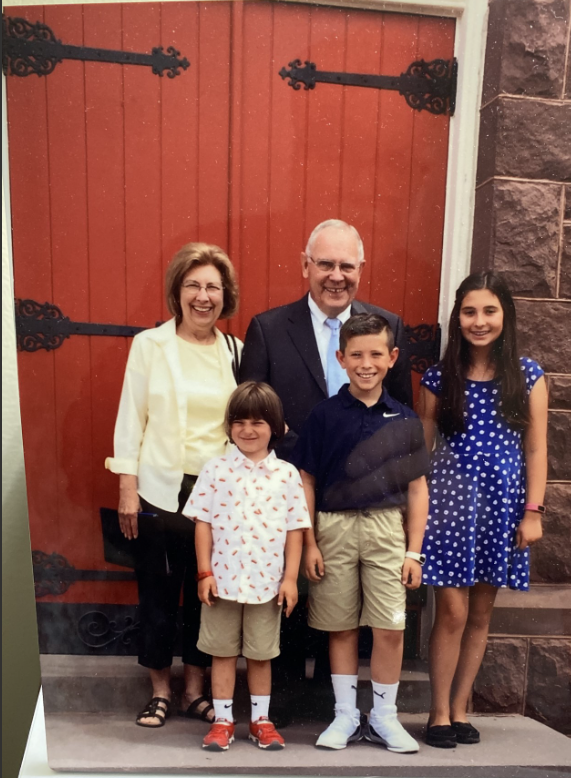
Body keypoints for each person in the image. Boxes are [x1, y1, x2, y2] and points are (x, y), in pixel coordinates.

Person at [105, 242, 242, 728]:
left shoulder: (236, 352)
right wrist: (127, 485)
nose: (203, 296)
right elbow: (131, 418)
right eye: (193, 285)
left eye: (212, 286)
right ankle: (160, 691)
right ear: (177, 292)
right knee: (159, 594)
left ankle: (193, 691)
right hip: (160, 488)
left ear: (226, 294)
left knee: (207, 594)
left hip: (219, 497)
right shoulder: (151, 346)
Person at [418, 271, 548, 749]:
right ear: (458, 318)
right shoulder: (439, 378)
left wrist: (532, 511)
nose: (479, 321)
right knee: (451, 609)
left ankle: (459, 708)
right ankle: (437, 712)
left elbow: (536, 449)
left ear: (505, 316)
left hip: (502, 508)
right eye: (470, 311)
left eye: (489, 311)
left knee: (480, 612)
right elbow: (423, 450)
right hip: (449, 510)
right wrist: (419, 511)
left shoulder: (528, 375)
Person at [293, 313, 430, 753]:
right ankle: (346, 715)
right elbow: (306, 481)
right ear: (341, 358)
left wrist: (414, 552)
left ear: (392, 358)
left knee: (390, 626)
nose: (366, 363)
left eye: (375, 354)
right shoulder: (325, 415)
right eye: (356, 355)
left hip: (387, 529)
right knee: (341, 625)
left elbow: (416, 489)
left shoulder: (405, 419)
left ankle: (385, 717)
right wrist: (310, 542)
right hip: (333, 528)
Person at [183, 382, 311, 751]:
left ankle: (260, 721)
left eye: (257, 422)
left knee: (260, 654)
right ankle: (223, 721)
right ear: (228, 426)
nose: (248, 430)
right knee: (221, 652)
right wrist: (205, 572)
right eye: (239, 422)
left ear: (276, 426)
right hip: (222, 582)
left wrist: (290, 580)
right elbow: (203, 524)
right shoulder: (215, 470)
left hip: (266, 585)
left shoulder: (286, 475)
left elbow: (295, 530)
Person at [239, 219, 413, 462]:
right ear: (305, 265)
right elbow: (253, 409)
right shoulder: (268, 330)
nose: (337, 276)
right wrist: (309, 457)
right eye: (326, 264)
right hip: (289, 475)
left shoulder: (388, 326)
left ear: (361, 269)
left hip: (366, 481)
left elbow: (400, 410)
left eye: (347, 266)